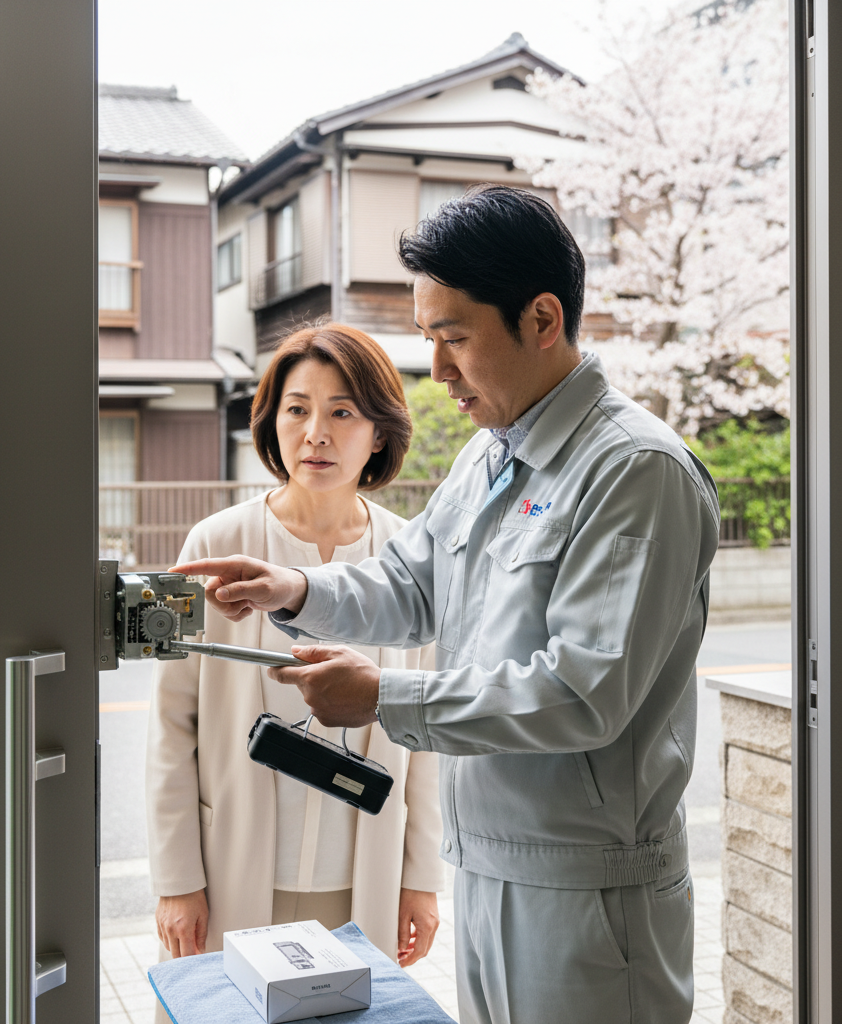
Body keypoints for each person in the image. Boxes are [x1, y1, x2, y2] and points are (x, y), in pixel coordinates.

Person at [173, 185, 721, 1024]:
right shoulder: (489, 457)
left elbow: (583, 692)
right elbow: (410, 583)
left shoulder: (634, 471)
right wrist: (296, 589)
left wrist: (384, 697)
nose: (438, 370)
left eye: (454, 338)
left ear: (542, 319)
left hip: (592, 891)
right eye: (429, 340)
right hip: (491, 867)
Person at [145, 324, 444, 986]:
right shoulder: (210, 542)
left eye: (343, 412)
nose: (316, 434)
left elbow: (425, 733)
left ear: (379, 433)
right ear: (272, 423)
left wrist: (421, 878)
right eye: (297, 409)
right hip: (231, 869)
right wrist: (176, 879)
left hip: (363, 876)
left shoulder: (412, 560)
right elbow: (169, 726)